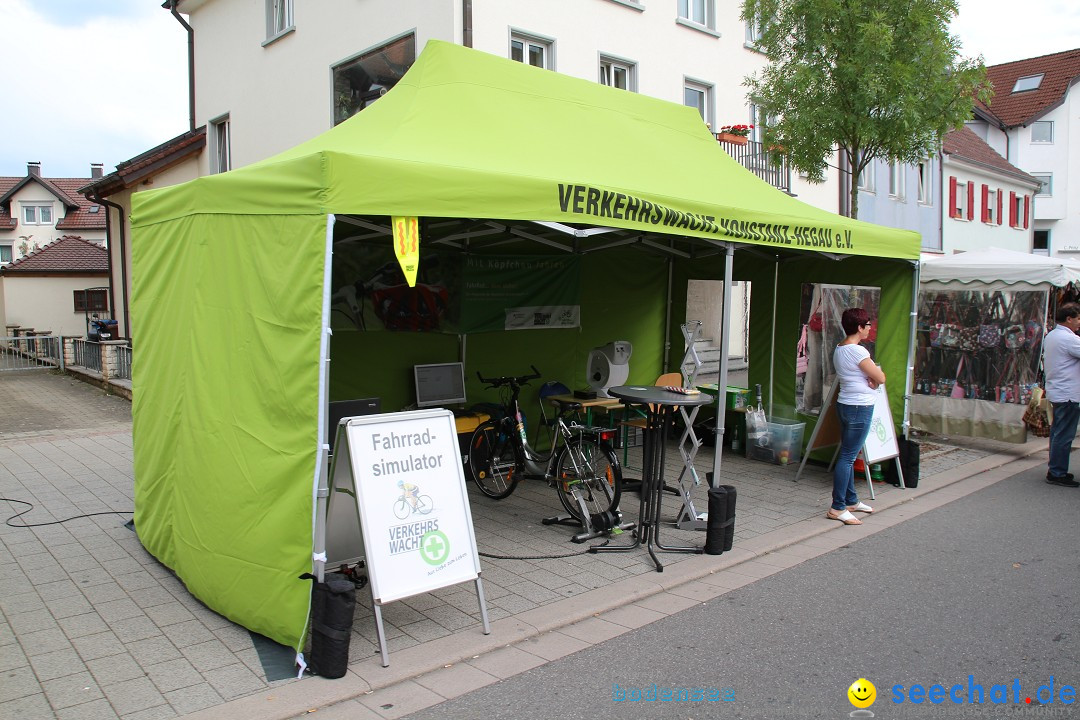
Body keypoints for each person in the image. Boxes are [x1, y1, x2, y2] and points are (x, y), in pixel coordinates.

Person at [828, 308, 887, 525]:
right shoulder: (858, 351)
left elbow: (870, 377)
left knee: (849, 454)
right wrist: (874, 380)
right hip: (858, 407)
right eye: (868, 325)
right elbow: (880, 376)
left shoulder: (840, 348)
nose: (870, 328)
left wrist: (871, 380)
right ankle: (837, 507)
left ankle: (851, 500)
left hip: (846, 404)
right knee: (847, 457)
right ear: (860, 327)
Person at [1043, 303, 1080, 487]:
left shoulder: (1052, 335)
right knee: (1064, 435)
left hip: (1059, 391)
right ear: (1069, 319)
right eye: (1078, 318)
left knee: (1058, 433)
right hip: (1068, 394)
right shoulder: (1069, 339)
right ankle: (1057, 472)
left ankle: (1055, 470)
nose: (1079, 322)